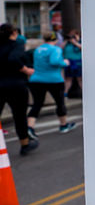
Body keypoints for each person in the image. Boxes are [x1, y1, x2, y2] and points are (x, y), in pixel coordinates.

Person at [28, 32, 76, 136]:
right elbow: (54, 62)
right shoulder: (56, 49)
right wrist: (65, 63)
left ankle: (30, 127)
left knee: (37, 103)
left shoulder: (38, 49)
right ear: (55, 39)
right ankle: (63, 125)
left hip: (36, 79)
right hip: (54, 80)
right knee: (60, 102)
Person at [0, 24, 37, 155]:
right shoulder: (16, 46)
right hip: (15, 84)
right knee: (19, 115)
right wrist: (26, 70)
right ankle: (24, 144)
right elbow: (13, 59)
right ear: (14, 32)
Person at [63, 30, 83, 98]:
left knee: (80, 79)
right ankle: (65, 94)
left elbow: (82, 48)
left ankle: (85, 94)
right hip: (69, 62)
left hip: (78, 62)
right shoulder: (67, 43)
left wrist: (75, 41)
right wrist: (66, 40)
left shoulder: (80, 41)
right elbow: (60, 48)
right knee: (68, 78)